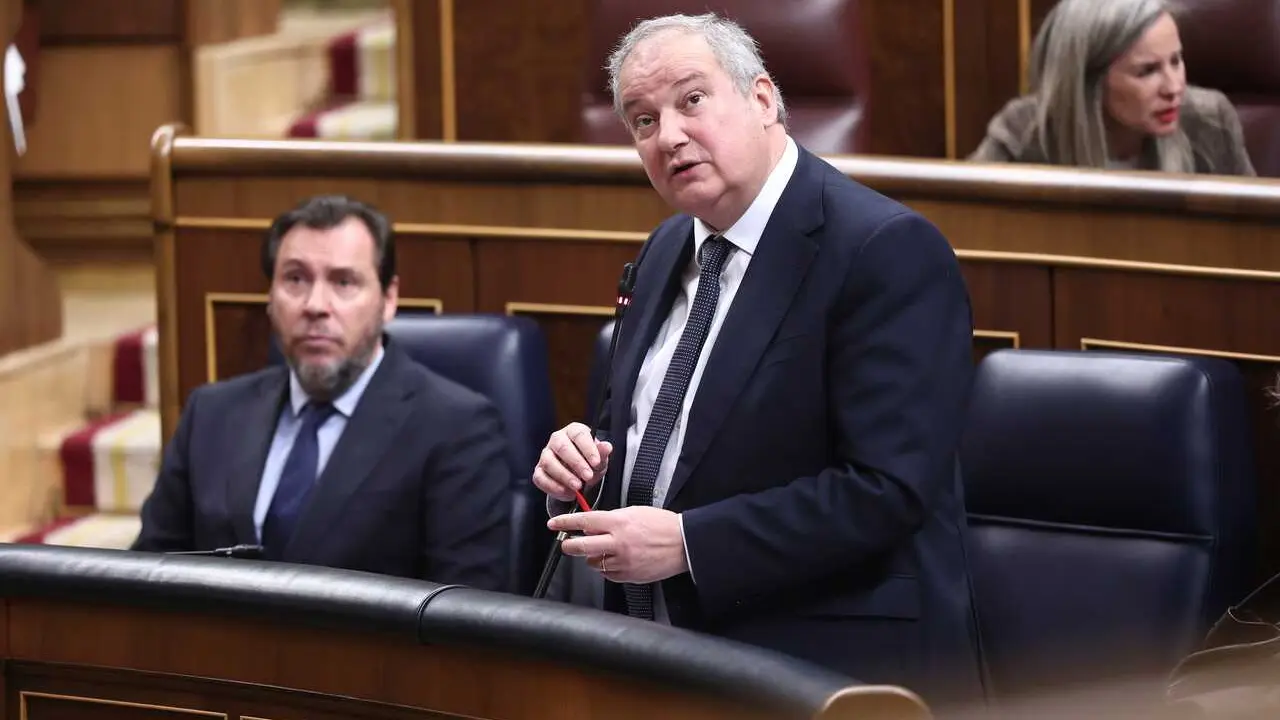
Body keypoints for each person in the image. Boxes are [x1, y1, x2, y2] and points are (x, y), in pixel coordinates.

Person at [532, 12, 985, 705]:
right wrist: (585, 457)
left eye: (691, 100)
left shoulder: (883, 250)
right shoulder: (662, 253)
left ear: (764, 99)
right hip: (659, 657)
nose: (669, 135)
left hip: (826, 668)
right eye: (643, 121)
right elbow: (667, 441)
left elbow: (886, 490)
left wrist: (690, 545)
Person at [133, 195, 512, 591]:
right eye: (295, 279)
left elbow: (466, 615)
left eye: (343, 282)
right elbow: (146, 576)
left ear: (389, 299)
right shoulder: (211, 414)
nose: (315, 305)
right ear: (270, 296)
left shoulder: (456, 428)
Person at [969, 0, 1255, 176]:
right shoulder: (1027, 130)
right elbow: (967, 222)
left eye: (1176, 61)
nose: (1173, 87)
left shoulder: (1210, 121)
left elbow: (1257, 236)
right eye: (1148, 71)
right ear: (1087, 81)